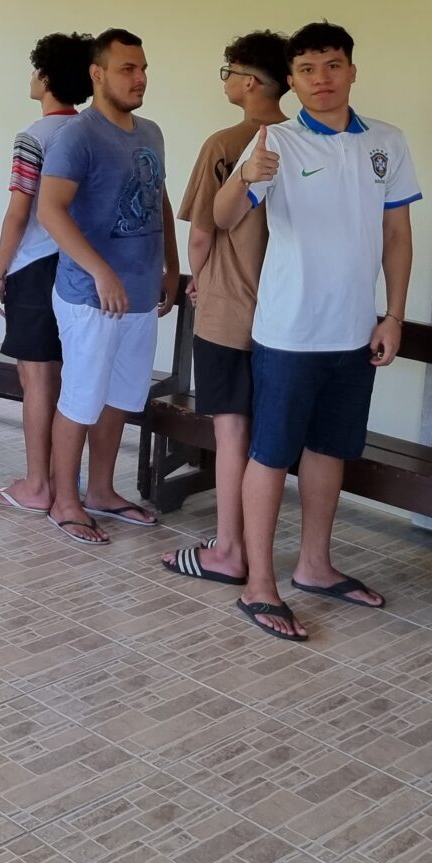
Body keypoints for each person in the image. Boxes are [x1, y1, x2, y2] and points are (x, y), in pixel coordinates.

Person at [212, 21, 420, 640]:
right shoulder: (275, 141)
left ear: (352, 70)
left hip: (354, 332)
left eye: (332, 66)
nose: (321, 79)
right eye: (306, 70)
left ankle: (315, 565)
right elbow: (223, 217)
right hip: (289, 332)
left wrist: (393, 315)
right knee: (271, 453)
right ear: (292, 80)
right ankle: (259, 584)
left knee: (331, 450)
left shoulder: (386, 141)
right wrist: (245, 177)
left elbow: (397, 235)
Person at [34, 28, 177, 543]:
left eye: (143, 68)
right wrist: (99, 270)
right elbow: (50, 210)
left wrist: (172, 265)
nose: (140, 78)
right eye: (127, 69)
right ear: (97, 74)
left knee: (119, 398)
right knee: (82, 398)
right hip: (89, 297)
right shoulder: (79, 135)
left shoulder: (151, 133)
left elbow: (157, 197)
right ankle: (65, 501)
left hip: (139, 293)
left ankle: (101, 491)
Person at [161, 29, 290, 584]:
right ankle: (248, 543)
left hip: (230, 309)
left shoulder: (226, 144)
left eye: (229, 72)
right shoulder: (303, 141)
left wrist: (200, 277)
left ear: (251, 81)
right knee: (267, 434)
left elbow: (201, 233)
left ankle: (230, 549)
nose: (226, 82)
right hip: (286, 317)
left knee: (231, 431)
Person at [0, 31, 93, 513]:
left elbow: (18, 212)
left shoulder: (35, 136)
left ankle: (37, 484)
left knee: (37, 379)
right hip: (80, 264)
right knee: (69, 377)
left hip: (34, 267)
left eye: (35, 70)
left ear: (46, 78)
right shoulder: (92, 130)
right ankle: (63, 479)